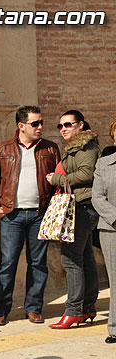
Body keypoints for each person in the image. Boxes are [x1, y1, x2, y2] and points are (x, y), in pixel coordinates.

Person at [0, 106, 60, 325]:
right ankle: (0, 310)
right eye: (35, 123)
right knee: (7, 263)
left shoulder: (51, 149)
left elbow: (58, 182)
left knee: (38, 263)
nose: (40, 127)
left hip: (40, 215)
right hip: (11, 215)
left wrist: (52, 211)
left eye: (41, 122)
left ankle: (34, 308)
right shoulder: (2, 149)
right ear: (21, 126)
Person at [46, 110, 100, 329]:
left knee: (70, 259)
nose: (63, 129)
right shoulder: (77, 147)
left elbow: (88, 174)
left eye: (68, 124)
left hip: (82, 208)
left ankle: (74, 310)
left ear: (81, 125)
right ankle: (87, 307)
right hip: (80, 207)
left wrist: (58, 178)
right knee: (85, 258)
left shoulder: (87, 146)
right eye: (60, 126)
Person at [92, 119, 116, 343]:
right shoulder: (104, 164)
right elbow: (97, 197)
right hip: (111, 230)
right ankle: (115, 328)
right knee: (115, 280)